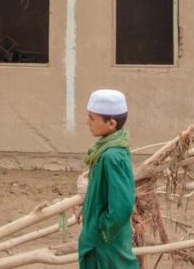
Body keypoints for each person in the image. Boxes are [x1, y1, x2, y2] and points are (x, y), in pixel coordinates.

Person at [78, 89, 139, 268]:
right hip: (98, 238)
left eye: (91, 118)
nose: (87, 122)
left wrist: (103, 230)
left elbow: (122, 205)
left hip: (105, 243)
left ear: (111, 123)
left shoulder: (111, 156)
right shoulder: (107, 149)